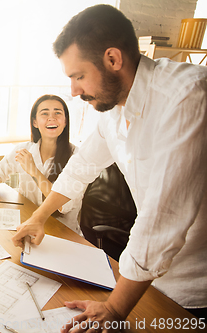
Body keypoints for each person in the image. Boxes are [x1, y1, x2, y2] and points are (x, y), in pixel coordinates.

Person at [12, 4, 207, 330]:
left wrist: (115, 307)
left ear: (113, 60)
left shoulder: (186, 97)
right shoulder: (114, 105)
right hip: (146, 278)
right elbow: (82, 166)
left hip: (194, 289)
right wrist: (38, 217)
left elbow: (162, 217)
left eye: (78, 76)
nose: (73, 92)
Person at [0, 94, 84, 234]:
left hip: (62, 234)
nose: (51, 118)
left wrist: (34, 171)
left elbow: (64, 205)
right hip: (26, 225)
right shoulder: (23, 150)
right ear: (35, 122)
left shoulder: (78, 157)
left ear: (65, 121)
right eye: (45, 113)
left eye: (57, 113)